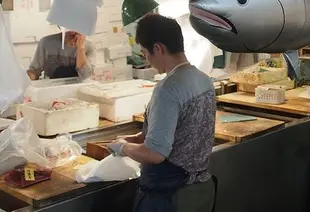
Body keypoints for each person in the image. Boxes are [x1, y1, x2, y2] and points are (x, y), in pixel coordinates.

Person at [107, 14, 216, 212]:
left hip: (171, 198)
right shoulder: (204, 80)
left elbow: (155, 154)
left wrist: (122, 148)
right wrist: (137, 138)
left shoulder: (168, 89)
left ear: (158, 48)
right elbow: (182, 131)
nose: (147, 60)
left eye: (145, 53)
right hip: (201, 192)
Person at [27, 31, 95, 80]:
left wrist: (80, 49)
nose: (70, 32)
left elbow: (86, 76)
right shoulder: (46, 42)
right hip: (51, 90)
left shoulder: (88, 45)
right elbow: (34, 71)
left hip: (78, 91)